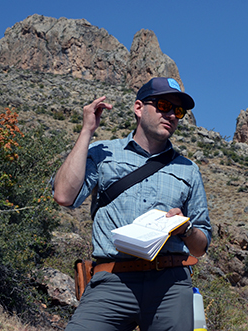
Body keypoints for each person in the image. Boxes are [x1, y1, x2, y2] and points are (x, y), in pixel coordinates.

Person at [53, 77, 212, 331]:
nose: (171, 115)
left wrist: (186, 228)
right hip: (111, 279)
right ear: (139, 107)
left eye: (178, 111)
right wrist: (87, 132)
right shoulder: (102, 152)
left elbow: (201, 246)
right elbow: (64, 196)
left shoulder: (189, 170)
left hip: (170, 284)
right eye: (163, 105)